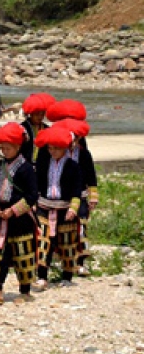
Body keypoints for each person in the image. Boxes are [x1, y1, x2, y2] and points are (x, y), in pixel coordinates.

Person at [0, 122, 39, 306]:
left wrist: (13, 211)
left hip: (20, 220)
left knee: (22, 254)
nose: (4, 151)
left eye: (8, 147)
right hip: (0, 219)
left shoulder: (27, 169)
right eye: (2, 148)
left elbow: (32, 196)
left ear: (18, 147)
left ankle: (25, 291)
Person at [34, 125, 83, 290]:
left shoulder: (73, 166)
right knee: (43, 241)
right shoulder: (42, 163)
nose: (52, 151)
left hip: (64, 208)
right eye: (50, 148)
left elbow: (77, 189)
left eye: (56, 148)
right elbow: (37, 184)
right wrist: (33, 203)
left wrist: (73, 208)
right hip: (44, 207)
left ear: (64, 148)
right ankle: (42, 276)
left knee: (66, 242)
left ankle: (67, 275)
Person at [54, 118, 98, 277]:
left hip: (81, 195)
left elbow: (91, 176)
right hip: (63, 198)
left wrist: (93, 197)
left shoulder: (84, 154)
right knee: (64, 230)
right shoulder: (59, 153)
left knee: (81, 228)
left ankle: (80, 263)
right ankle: (66, 261)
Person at [19, 93, 55, 166]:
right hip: (26, 163)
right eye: (37, 114)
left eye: (42, 114)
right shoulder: (23, 127)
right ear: (31, 113)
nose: (40, 117)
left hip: (43, 164)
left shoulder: (47, 128)